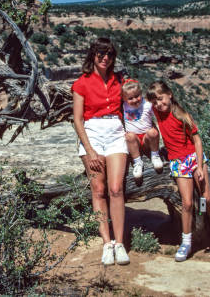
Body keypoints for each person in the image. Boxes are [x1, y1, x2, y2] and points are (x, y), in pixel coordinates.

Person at [145, 80, 210, 261]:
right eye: (155, 101)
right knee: (187, 203)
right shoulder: (157, 113)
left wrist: (198, 165)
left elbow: (197, 141)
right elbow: (138, 103)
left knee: (206, 197)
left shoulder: (182, 115)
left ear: (170, 94)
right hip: (177, 162)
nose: (159, 104)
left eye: (161, 99)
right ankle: (186, 241)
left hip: (193, 159)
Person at [72, 37, 130, 266]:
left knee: (116, 189)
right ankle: (106, 243)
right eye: (100, 54)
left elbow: (136, 102)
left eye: (109, 55)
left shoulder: (120, 81)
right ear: (93, 56)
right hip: (92, 133)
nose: (105, 58)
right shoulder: (81, 83)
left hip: (115, 132)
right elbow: (77, 119)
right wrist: (90, 150)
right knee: (98, 189)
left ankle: (120, 243)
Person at [121, 79, 163, 180]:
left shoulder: (147, 105)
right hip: (135, 141)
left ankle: (155, 155)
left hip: (147, 139)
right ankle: (137, 162)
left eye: (137, 96)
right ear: (124, 98)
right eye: (130, 98)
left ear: (141, 93)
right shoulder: (123, 106)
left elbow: (158, 117)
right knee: (129, 136)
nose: (135, 100)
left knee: (153, 132)